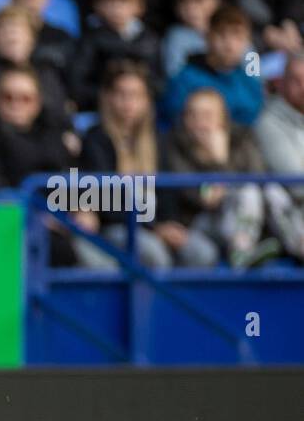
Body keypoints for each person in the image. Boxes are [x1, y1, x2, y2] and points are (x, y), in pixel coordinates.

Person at [160, 86, 270, 266]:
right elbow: (202, 198)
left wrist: (222, 163)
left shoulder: (242, 138)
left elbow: (260, 180)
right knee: (246, 193)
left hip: (248, 216)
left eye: (207, 115)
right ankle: (242, 254)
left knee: (268, 192)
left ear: (223, 118)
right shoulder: (175, 144)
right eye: (192, 115)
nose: (199, 123)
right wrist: (218, 161)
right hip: (200, 222)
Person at [78, 59, 169, 268]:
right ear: (108, 98)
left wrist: (167, 223)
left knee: (201, 253)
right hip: (116, 225)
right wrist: (151, 225)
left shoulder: (158, 138)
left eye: (136, 95)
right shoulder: (96, 138)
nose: (128, 102)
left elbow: (167, 193)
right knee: (154, 254)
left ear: (147, 100)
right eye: (121, 94)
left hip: (153, 224)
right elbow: (101, 198)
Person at [0, 64, 75, 188]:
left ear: (37, 103)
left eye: (25, 98)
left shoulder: (52, 135)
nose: (16, 104)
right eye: (7, 97)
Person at [68, 0, 163, 110]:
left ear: (139, 6)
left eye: (124, 2)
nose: (117, 9)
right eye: (110, 2)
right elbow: (77, 81)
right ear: (98, 5)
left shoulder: (150, 41)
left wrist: (137, 98)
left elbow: (158, 83)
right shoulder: (90, 39)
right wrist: (111, 97)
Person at [0, 4, 71, 128]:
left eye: (18, 31)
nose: (12, 37)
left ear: (32, 38)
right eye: (4, 32)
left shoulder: (45, 70)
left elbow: (58, 111)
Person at [161, 3, 262, 125]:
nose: (229, 44)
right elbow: (170, 123)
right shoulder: (184, 80)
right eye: (222, 34)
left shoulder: (251, 84)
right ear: (208, 37)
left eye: (238, 36)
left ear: (247, 41)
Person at [252, 53, 304, 263]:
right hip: (294, 216)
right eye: (296, 81)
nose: (303, 87)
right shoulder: (268, 123)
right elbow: (298, 184)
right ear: (281, 84)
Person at [162, 0, 221, 77]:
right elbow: (174, 73)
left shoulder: (230, 30)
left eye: (199, 0)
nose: (191, 7)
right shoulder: (176, 37)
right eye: (184, 2)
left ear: (215, 2)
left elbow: (252, 67)